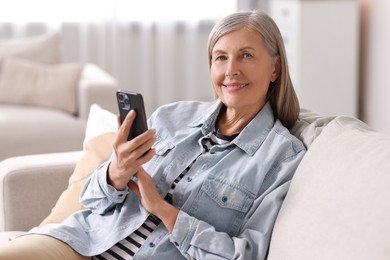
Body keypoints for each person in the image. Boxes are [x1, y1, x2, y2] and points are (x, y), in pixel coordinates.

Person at [0, 10, 306, 259]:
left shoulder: (282, 157)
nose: (231, 71)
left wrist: (163, 209)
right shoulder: (171, 117)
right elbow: (91, 201)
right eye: (221, 57)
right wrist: (114, 173)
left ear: (275, 68)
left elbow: (246, 255)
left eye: (247, 56)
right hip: (82, 242)